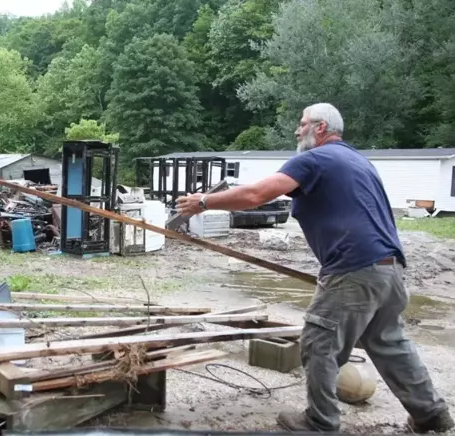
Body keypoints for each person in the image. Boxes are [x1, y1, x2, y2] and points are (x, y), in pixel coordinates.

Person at [175, 103, 454, 433]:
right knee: (390, 344)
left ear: (320, 128)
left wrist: (203, 202)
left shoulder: (314, 159)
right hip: (390, 269)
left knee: (319, 342)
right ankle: (431, 415)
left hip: (354, 268)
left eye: (302, 123)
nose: (297, 129)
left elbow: (255, 195)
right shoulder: (356, 161)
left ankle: (320, 423)